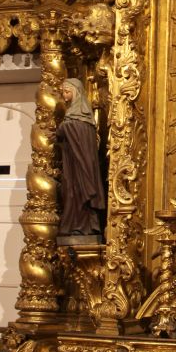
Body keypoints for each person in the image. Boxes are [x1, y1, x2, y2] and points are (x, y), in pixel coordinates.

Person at [57, 77, 105, 238]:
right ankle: (73, 225)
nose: (64, 96)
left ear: (76, 92)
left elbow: (76, 132)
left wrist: (64, 128)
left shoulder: (81, 116)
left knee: (78, 192)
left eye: (67, 92)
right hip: (72, 162)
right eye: (63, 92)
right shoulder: (72, 113)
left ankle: (83, 227)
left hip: (82, 164)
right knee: (69, 191)